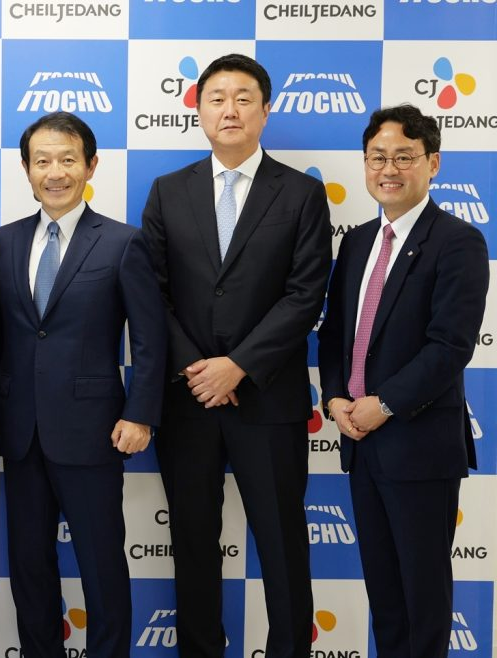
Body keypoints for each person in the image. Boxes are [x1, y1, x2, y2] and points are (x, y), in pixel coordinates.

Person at [141, 53, 332, 657]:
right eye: (217, 98)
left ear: (265, 111)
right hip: (188, 400)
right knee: (193, 545)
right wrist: (198, 369)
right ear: (198, 110)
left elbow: (306, 294)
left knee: (281, 545)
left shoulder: (301, 193)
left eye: (244, 98)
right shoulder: (168, 191)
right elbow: (151, 294)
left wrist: (239, 365)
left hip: (268, 400)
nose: (230, 109)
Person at [0, 111, 167, 657]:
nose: (55, 172)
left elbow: (150, 339)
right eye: (42, 161)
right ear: (26, 168)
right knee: (29, 566)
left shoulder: (122, 242)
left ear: (91, 165)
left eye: (68, 159)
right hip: (21, 431)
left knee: (101, 565)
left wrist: (141, 413)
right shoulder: (3, 241)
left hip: (93, 431)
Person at [318, 104, 488, 658]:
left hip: (418, 445)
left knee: (423, 600)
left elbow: (450, 347)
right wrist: (336, 397)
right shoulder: (358, 241)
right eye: (377, 157)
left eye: (403, 157)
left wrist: (384, 404)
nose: (388, 169)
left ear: (432, 163)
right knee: (386, 599)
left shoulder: (458, 241)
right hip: (360, 441)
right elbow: (335, 333)